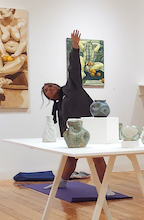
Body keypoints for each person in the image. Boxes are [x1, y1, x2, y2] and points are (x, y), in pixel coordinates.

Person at [42, 30, 107, 189]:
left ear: (57, 86)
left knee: (97, 158)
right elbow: (63, 123)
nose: (49, 88)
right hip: (74, 133)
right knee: (70, 158)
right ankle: (61, 183)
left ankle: (105, 187)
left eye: (50, 86)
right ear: (49, 98)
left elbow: (75, 69)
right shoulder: (58, 106)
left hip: (89, 127)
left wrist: (75, 47)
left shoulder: (72, 87)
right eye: (46, 90)